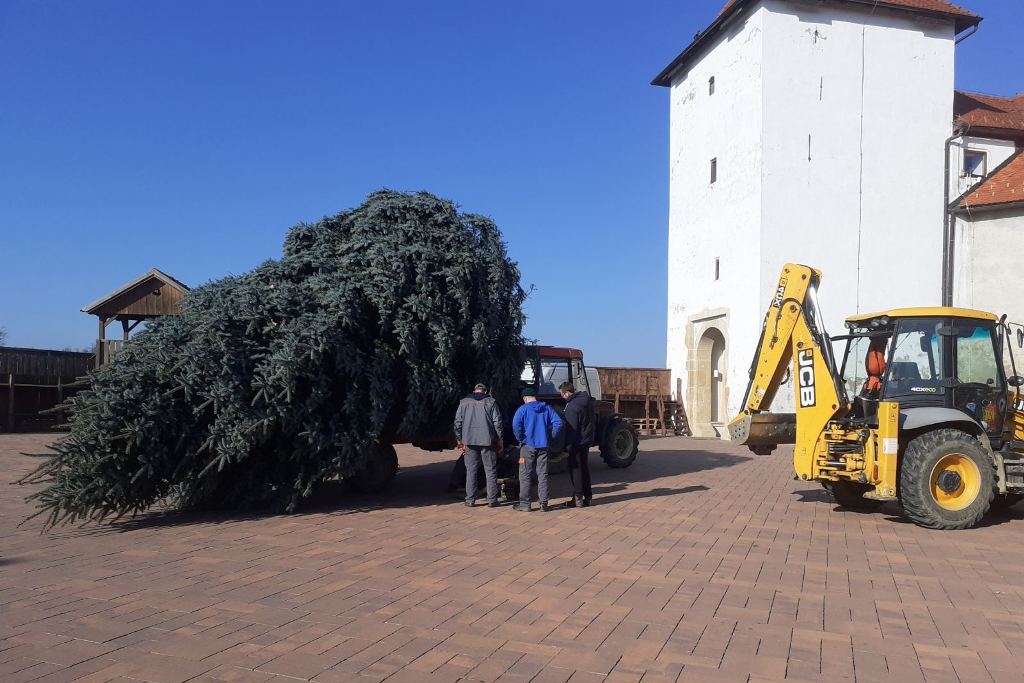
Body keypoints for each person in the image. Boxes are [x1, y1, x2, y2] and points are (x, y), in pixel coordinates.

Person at [512, 387, 563, 512]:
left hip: (527, 446)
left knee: (524, 474)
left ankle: (525, 504)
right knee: (543, 474)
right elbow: (558, 423)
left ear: (525, 398)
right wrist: (551, 437)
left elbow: (515, 425)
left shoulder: (522, 409)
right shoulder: (547, 408)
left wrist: (521, 438)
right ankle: (543, 503)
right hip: (543, 446)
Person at [453, 383, 504, 507]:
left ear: (474, 391)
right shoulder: (491, 402)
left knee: (471, 470)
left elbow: (457, 423)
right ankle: (492, 500)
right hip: (488, 441)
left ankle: (470, 499)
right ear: (485, 391)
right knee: (490, 470)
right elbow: (498, 423)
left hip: (469, 441)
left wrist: (460, 440)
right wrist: (500, 440)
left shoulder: (463, 402)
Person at [559, 382, 596, 507]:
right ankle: (588, 497)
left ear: (567, 393)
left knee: (576, 469)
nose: (562, 398)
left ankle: (578, 498)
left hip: (576, 443)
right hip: (586, 441)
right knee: (584, 468)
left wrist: (567, 448)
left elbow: (571, 429)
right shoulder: (587, 402)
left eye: (562, 395)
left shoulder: (572, 406)